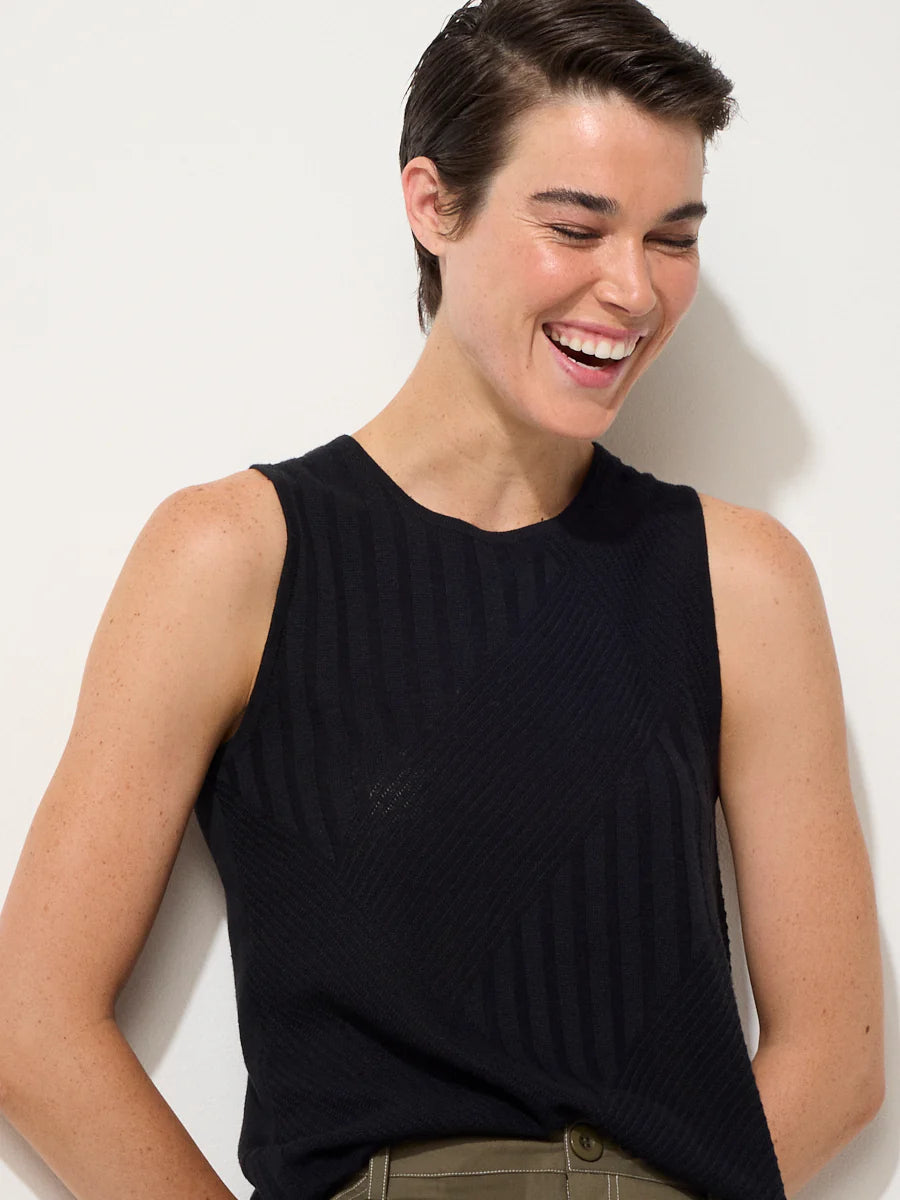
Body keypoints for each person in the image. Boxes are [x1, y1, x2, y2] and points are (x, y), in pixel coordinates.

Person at [0, 0, 885, 1198]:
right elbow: (33, 1025)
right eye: (577, 227)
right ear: (433, 204)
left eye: (672, 238)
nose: (633, 290)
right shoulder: (232, 558)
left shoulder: (742, 582)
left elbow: (837, 1057)